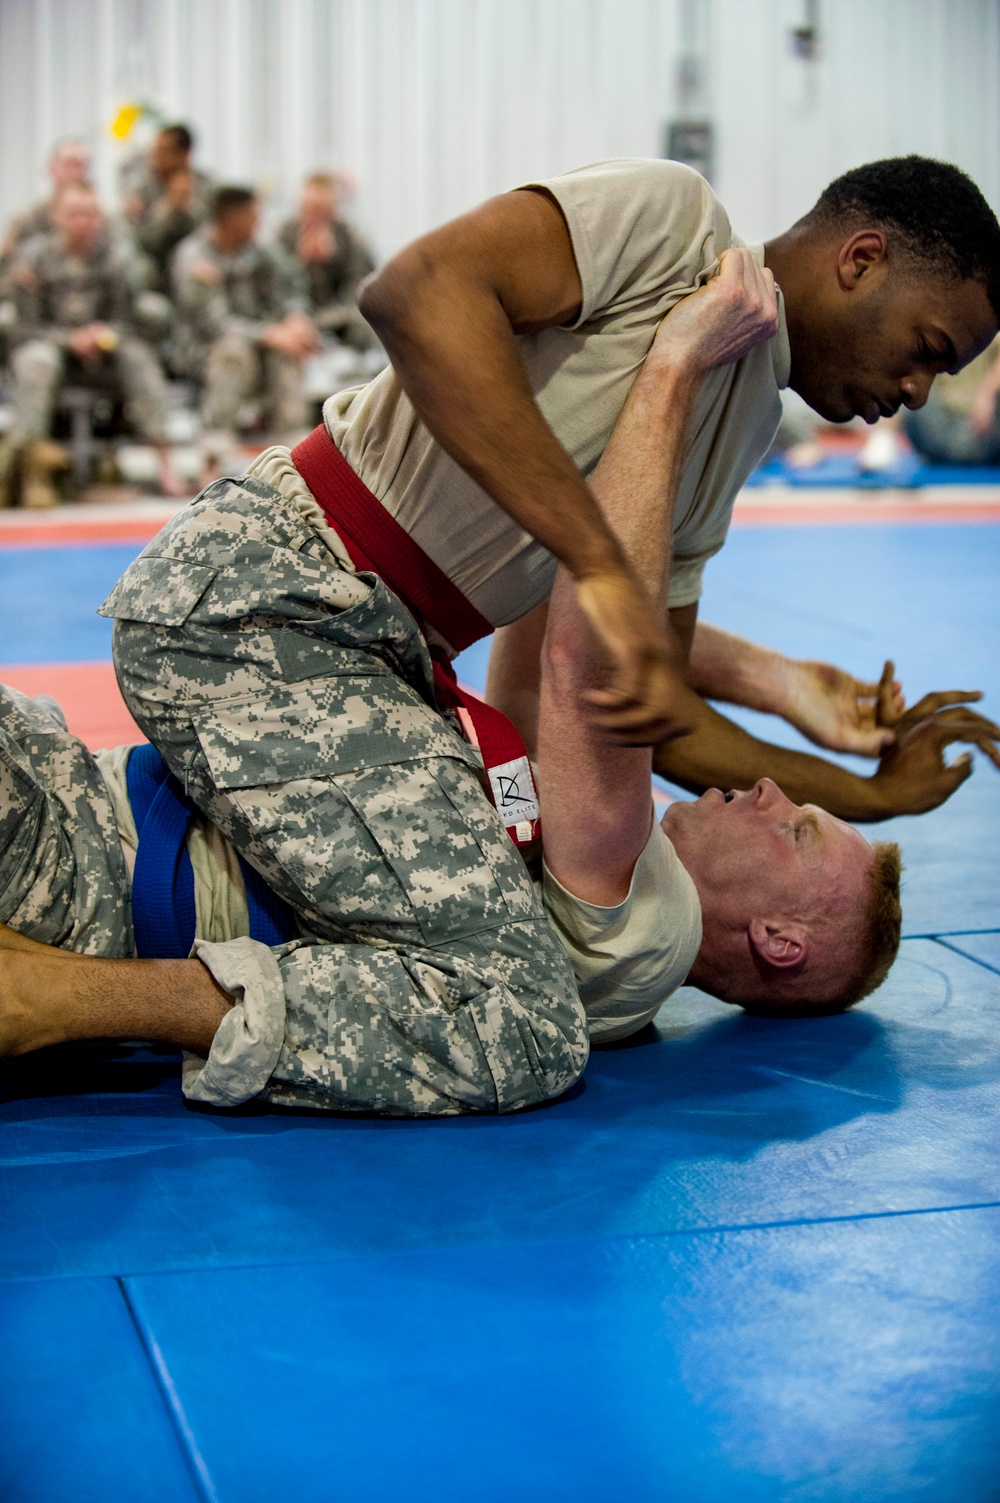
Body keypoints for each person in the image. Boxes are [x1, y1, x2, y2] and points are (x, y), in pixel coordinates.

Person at [0, 300, 914, 1109]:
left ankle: (53, 1001)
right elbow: (554, 611)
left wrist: (673, 374)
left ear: (779, 940)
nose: (766, 793)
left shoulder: (649, 929)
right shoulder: (578, 892)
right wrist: (783, 681)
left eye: (797, 831)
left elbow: (589, 664)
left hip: (80, 878)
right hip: (77, 805)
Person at [1, 183, 180, 507]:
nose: (82, 221)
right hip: (52, 351)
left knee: (138, 356)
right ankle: (30, 470)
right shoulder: (34, 259)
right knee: (35, 359)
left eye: (89, 213)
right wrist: (70, 339)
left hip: (105, 353)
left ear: (99, 218)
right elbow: (23, 327)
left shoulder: (117, 257)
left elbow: (131, 318)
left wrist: (102, 333)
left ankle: (166, 462)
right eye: (74, 213)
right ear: (57, 217)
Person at [172, 185, 319, 461]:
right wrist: (270, 334)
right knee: (234, 350)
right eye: (253, 215)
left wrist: (295, 318)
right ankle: (217, 437)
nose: (259, 221)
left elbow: (290, 286)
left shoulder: (260, 248)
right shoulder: (194, 256)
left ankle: (292, 438)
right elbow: (213, 325)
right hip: (203, 350)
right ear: (233, 220)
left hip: (258, 345)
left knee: (286, 348)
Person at [276, 172, 378, 350]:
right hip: (294, 319)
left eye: (321, 209)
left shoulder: (350, 238)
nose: (314, 216)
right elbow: (275, 286)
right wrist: (302, 263)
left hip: (340, 317)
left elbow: (362, 287)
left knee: (366, 329)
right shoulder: (283, 235)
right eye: (308, 208)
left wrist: (333, 260)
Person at [121, 124, 214, 295]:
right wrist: (169, 207)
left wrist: (188, 208)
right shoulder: (143, 188)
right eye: (155, 151)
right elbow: (142, 240)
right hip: (155, 262)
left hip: (194, 260)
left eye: (163, 151)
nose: (155, 158)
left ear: (184, 155)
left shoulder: (206, 185)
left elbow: (211, 234)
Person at [0, 139, 92, 268]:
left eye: (80, 166)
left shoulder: (99, 222)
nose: (74, 173)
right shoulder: (26, 220)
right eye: (68, 165)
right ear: (51, 169)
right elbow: (4, 266)